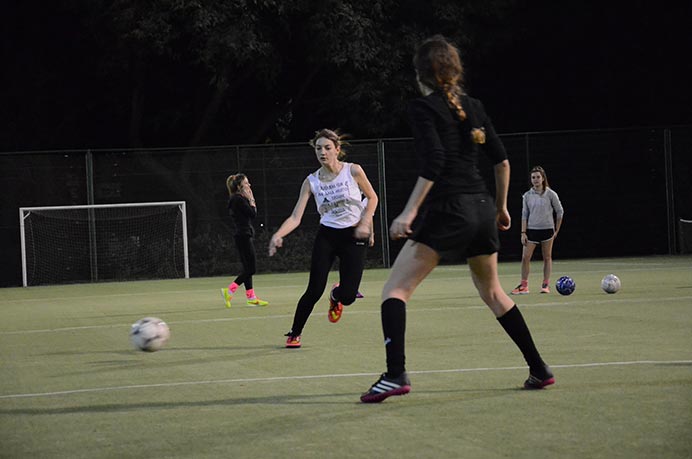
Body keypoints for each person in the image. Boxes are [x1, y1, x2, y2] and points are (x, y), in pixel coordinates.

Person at [360, 35, 554, 403]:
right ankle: (539, 368)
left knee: (395, 292)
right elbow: (502, 161)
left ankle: (395, 374)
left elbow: (435, 162)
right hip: (481, 209)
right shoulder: (475, 106)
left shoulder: (423, 108)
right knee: (495, 294)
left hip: (450, 209)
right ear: (455, 71)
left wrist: (409, 212)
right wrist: (499, 208)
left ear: (421, 75)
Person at [269, 129, 378, 348]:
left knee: (348, 296)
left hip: (354, 235)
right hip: (327, 236)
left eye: (327, 147)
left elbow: (372, 197)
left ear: (337, 150)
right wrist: (278, 234)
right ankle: (295, 333)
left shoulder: (353, 171)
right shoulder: (311, 182)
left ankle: (336, 296)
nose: (323, 152)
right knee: (314, 289)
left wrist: (367, 224)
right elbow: (295, 217)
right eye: (318, 148)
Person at [511, 166, 564, 294]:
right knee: (525, 257)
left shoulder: (551, 194)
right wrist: (523, 232)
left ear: (543, 178)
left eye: (538, 177)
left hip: (547, 230)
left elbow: (560, 211)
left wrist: (556, 230)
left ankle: (545, 285)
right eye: (533, 177)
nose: (535, 180)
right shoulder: (527, 196)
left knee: (547, 257)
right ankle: (524, 286)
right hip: (532, 231)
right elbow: (524, 215)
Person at [221, 173, 269, 307]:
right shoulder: (239, 200)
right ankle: (229, 290)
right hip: (243, 236)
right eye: (246, 183)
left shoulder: (235, 199)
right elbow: (253, 214)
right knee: (251, 269)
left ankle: (251, 297)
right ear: (239, 186)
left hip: (241, 236)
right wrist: (252, 200)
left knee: (247, 268)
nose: (249, 185)